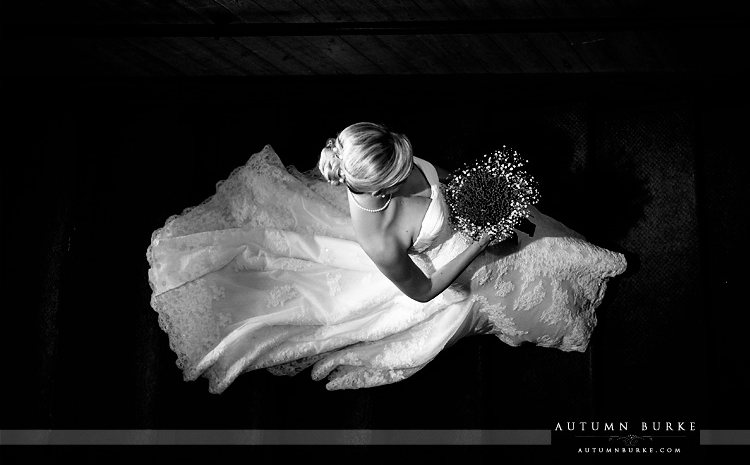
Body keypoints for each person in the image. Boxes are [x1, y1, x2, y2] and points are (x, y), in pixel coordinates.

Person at [147, 122, 626, 393]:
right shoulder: (378, 237)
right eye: (399, 174)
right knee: (527, 290)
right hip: (461, 262)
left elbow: (440, 181)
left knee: (547, 241)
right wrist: (480, 242)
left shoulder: (378, 150)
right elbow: (422, 291)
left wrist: (482, 198)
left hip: (473, 222)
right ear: (376, 189)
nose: (410, 169)